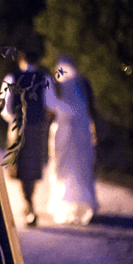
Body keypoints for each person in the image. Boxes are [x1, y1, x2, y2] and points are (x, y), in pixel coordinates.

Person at [45, 55, 98, 225]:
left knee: (71, 168)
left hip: (71, 133)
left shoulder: (62, 86)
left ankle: (76, 207)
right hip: (74, 132)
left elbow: (57, 107)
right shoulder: (80, 84)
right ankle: (77, 206)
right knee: (73, 169)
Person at [1, 54, 52, 226]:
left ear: (21, 60)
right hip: (37, 127)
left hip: (18, 127)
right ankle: (30, 205)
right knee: (33, 167)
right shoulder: (43, 78)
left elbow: (5, 107)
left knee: (21, 168)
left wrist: (14, 120)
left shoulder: (12, 77)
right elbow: (49, 104)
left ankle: (28, 205)